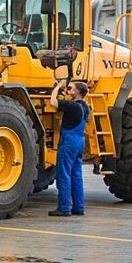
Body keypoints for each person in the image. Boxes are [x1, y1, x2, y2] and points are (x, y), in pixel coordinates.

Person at [47, 79, 90, 217]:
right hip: (80, 141)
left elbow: (53, 102)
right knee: (76, 175)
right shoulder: (86, 107)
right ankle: (78, 207)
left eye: (72, 88)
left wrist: (58, 87)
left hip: (69, 141)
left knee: (64, 174)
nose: (69, 90)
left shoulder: (72, 106)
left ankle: (64, 207)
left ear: (77, 92)